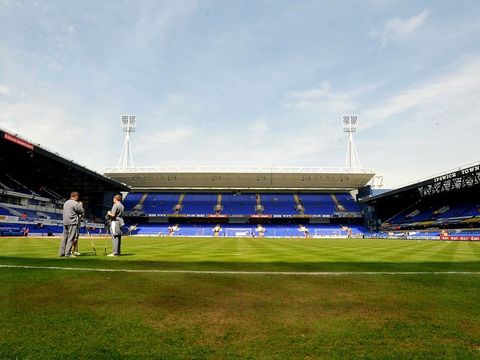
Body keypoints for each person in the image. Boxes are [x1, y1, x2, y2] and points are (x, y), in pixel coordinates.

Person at [59, 192, 84, 257]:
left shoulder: (66, 202)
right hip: (72, 222)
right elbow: (81, 211)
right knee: (71, 238)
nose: (77, 198)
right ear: (76, 196)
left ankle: (62, 252)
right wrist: (80, 207)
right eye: (77, 197)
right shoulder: (75, 203)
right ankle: (68, 253)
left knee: (64, 238)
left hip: (65, 222)